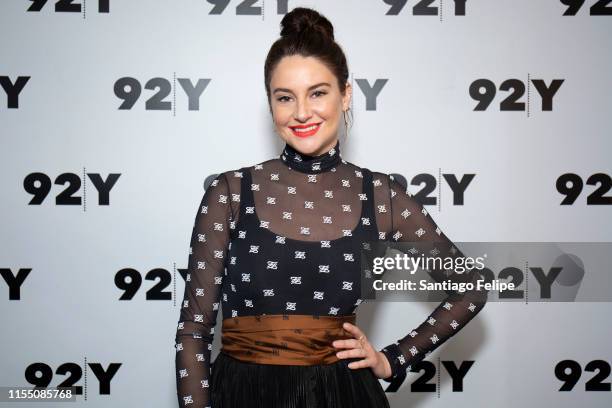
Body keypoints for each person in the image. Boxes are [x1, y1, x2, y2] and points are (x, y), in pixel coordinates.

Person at [174, 6, 487, 407]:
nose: (302, 112)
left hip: (344, 396)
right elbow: (194, 331)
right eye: (285, 97)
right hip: (243, 395)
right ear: (270, 106)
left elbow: (471, 288)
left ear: (345, 94)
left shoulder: (382, 196)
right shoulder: (231, 192)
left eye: (317, 92)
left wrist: (395, 358)